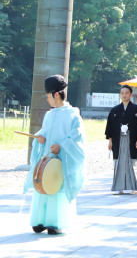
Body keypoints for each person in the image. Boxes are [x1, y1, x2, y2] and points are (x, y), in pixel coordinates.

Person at [24, 75, 86, 235]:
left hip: (62, 162)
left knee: (57, 188)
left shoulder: (73, 114)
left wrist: (62, 147)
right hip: (46, 161)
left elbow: (77, 139)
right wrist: (40, 138)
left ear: (56, 94)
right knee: (42, 186)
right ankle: (40, 220)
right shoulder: (49, 115)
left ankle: (56, 222)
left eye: (47, 96)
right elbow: (44, 133)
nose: (47, 99)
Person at [106, 85, 137, 194]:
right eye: (122, 93)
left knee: (133, 162)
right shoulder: (115, 110)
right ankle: (119, 187)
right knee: (119, 162)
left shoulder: (136, 109)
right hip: (118, 139)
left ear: (130, 95)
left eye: (126, 93)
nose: (124, 95)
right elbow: (110, 127)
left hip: (132, 139)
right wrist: (110, 141)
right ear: (120, 95)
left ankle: (134, 187)